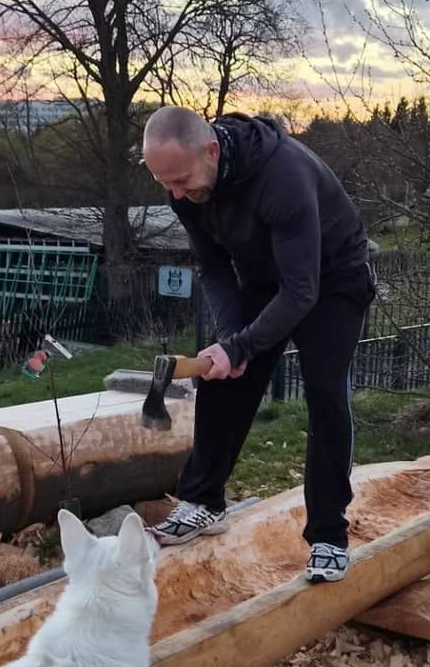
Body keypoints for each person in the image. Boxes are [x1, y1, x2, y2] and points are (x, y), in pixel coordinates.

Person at [141, 106, 375, 583]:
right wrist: (232, 344)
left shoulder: (283, 175)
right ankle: (204, 502)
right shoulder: (185, 188)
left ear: (211, 150)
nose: (176, 194)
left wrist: (243, 346)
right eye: (166, 184)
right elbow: (212, 268)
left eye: (182, 181)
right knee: (220, 376)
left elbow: (303, 291)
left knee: (325, 394)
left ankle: (328, 535)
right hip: (268, 279)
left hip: (331, 280)